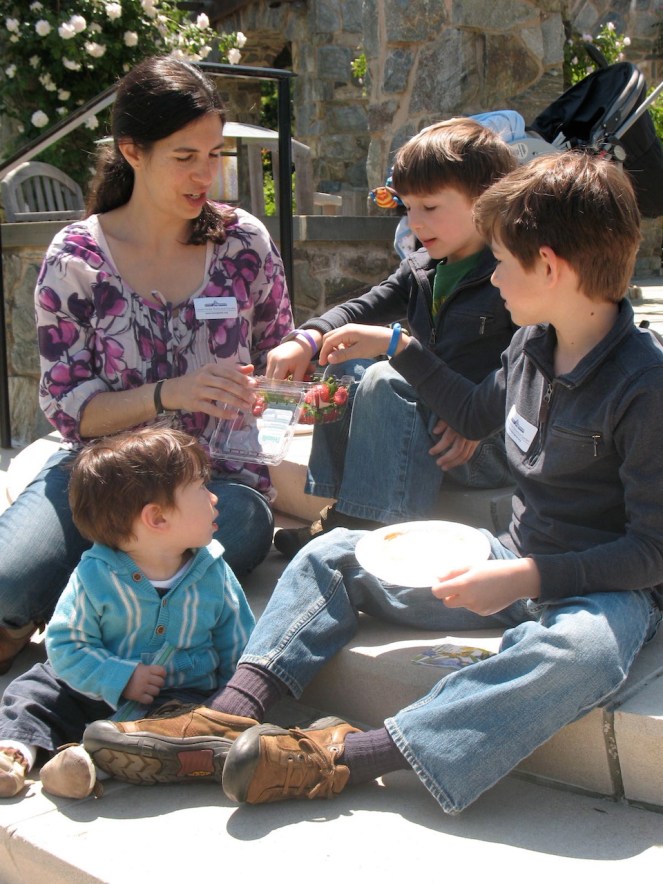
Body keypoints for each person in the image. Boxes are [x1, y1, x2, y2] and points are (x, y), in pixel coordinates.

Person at [83, 151, 662, 813]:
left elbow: (649, 554)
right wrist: (396, 347)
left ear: (551, 267)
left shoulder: (645, 386)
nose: (493, 275)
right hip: (513, 554)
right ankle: (228, 716)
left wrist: (528, 578)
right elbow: (475, 412)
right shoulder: (530, 345)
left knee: (578, 653)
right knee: (332, 554)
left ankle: (342, 758)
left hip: (607, 591)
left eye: (502, 259)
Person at [0, 56, 293, 674]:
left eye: (214, 154)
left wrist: (281, 385)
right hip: (99, 469)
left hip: (219, 480)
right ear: (132, 151)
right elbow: (70, 409)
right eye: (185, 157)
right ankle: (52, 608)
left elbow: (277, 352)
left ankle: (66, 620)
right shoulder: (77, 256)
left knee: (236, 532)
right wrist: (172, 393)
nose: (205, 174)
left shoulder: (243, 243)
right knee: (5, 580)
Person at [267, 118, 517, 559]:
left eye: (430, 207)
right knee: (344, 362)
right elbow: (363, 306)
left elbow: (530, 365)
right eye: (407, 208)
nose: (415, 222)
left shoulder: (510, 272)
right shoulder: (425, 266)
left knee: (387, 376)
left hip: (480, 442)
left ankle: (373, 530)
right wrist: (306, 339)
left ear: (484, 200)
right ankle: (344, 510)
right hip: (436, 426)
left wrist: (480, 419)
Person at [0, 426, 255, 800]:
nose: (215, 499)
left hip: (175, 696)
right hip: (95, 690)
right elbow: (67, 643)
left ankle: (87, 765)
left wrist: (229, 704)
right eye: (201, 488)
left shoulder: (213, 571)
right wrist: (118, 675)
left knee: (180, 728)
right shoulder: (96, 574)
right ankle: (15, 752)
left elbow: (238, 645)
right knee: (36, 689)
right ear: (157, 518)